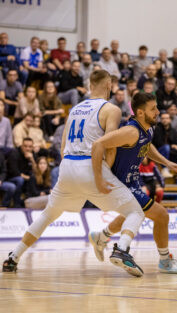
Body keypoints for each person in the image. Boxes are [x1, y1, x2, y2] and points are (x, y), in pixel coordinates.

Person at [2, 70, 145, 276]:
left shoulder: (75, 108)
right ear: (108, 86)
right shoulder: (111, 109)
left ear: (89, 84)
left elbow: (62, 146)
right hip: (91, 166)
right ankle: (122, 250)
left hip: (67, 165)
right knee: (135, 211)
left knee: (47, 215)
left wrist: (69, 171)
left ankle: (13, 258)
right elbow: (110, 146)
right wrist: (104, 173)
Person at [88, 93, 177, 274]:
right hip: (120, 184)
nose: (157, 111)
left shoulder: (147, 128)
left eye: (156, 107)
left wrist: (167, 162)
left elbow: (146, 146)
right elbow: (98, 144)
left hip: (133, 181)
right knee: (161, 216)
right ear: (140, 112)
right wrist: (99, 178)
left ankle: (101, 237)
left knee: (131, 215)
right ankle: (164, 260)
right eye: (153, 109)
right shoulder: (130, 131)